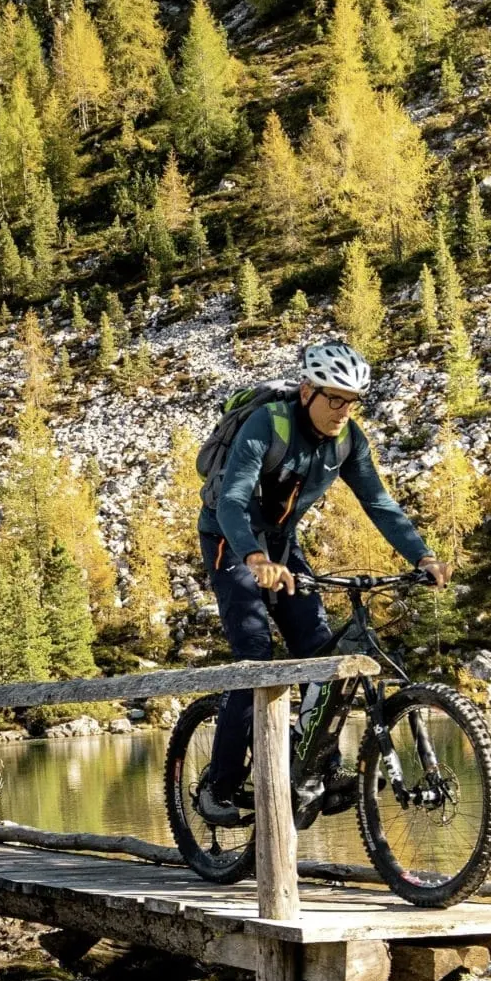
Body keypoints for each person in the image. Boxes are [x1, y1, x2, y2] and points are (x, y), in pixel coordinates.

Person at [193, 339, 447, 824]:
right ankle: (219, 788)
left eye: (351, 402)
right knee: (255, 659)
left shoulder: (348, 439)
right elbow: (231, 499)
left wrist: (424, 555)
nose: (342, 410)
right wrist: (253, 556)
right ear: (307, 389)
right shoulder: (268, 424)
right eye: (334, 398)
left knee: (321, 655)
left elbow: (379, 503)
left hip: (284, 546)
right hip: (231, 540)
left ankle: (316, 771)